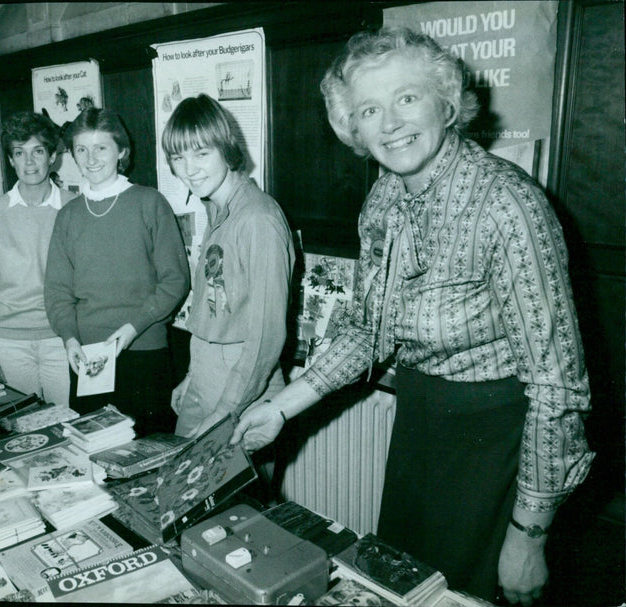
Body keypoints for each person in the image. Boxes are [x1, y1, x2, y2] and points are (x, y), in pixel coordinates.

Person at [230, 28, 594, 605]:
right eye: (370, 109)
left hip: (500, 443)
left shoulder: (509, 205)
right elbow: (365, 329)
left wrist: (529, 535)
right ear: (353, 127)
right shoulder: (383, 199)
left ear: (445, 102)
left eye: (407, 97)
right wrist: (278, 406)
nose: (390, 123)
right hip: (422, 425)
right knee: (400, 586)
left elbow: (557, 389)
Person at [44, 107, 189, 436]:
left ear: (121, 151)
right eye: (81, 149)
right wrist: (69, 339)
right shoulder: (68, 216)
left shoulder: (149, 203)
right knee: (95, 454)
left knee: (148, 454)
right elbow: (56, 291)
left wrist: (132, 327)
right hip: (88, 355)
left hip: (143, 350)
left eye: (101, 148)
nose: (91, 159)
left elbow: (175, 280)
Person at [161, 94, 295, 438]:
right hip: (206, 376)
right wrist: (193, 377)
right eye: (178, 157)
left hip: (244, 389)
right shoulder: (217, 209)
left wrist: (225, 412)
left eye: (202, 153)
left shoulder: (258, 218)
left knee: (233, 493)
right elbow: (216, 310)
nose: (189, 169)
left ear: (226, 149)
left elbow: (266, 336)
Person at [0, 111, 75, 406]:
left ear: (53, 156)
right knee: (23, 427)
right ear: (11, 160)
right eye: (19, 153)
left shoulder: (73, 208)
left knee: (65, 423)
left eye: (37, 151)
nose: (29, 162)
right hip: (10, 343)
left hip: (63, 340)